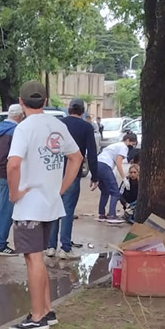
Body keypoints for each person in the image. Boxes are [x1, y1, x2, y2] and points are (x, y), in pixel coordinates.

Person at [6, 81, 83, 329]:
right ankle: (47, 311)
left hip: (29, 205)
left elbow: (13, 164)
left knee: (34, 259)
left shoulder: (24, 128)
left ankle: (37, 316)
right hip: (50, 204)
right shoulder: (57, 125)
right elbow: (76, 157)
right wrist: (61, 187)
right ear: (46, 100)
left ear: (21, 101)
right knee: (38, 259)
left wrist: (13, 192)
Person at [47, 98, 98, 259]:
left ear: (68, 109)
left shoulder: (58, 124)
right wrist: (95, 176)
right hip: (73, 173)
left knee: (54, 209)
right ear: (83, 112)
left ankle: (50, 247)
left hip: (54, 172)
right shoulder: (86, 127)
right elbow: (92, 152)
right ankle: (65, 248)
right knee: (67, 211)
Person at [0, 104, 24, 256]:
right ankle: (1, 244)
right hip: (5, 173)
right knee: (6, 210)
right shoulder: (17, 132)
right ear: (20, 116)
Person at [92, 131, 137, 225]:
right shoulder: (124, 147)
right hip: (105, 166)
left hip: (97, 165)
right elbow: (119, 163)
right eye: (133, 144)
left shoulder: (116, 145)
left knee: (105, 191)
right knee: (115, 192)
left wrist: (94, 177)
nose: (132, 147)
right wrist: (124, 178)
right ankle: (112, 215)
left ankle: (101, 214)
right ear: (128, 140)